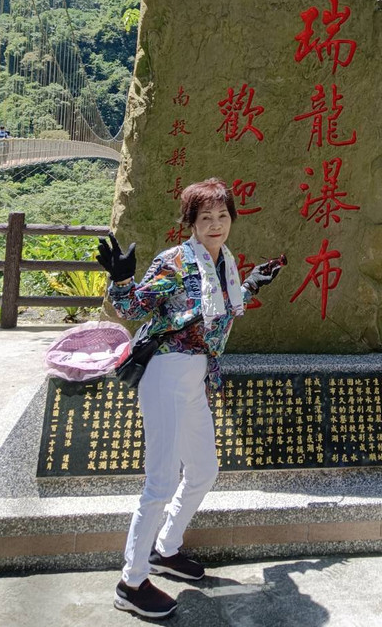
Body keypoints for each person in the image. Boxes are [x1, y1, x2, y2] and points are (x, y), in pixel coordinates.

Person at [96, 177, 284, 620]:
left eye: (222, 215)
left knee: (203, 470)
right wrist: (121, 279)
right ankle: (131, 582)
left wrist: (252, 283)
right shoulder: (175, 261)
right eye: (206, 217)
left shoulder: (225, 262)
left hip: (196, 377)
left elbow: (216, 308)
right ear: (191, 223)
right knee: (160, 482)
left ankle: (165, 548)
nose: (216, 224)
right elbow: (133, 309)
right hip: (165, 373)